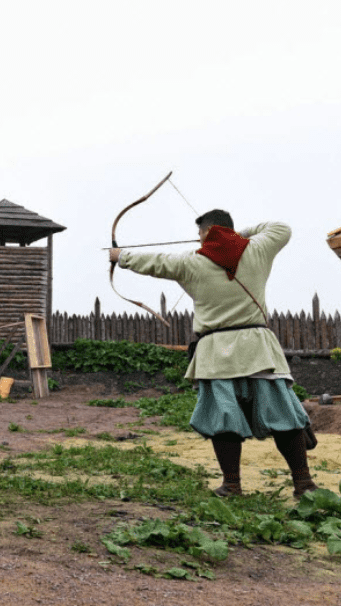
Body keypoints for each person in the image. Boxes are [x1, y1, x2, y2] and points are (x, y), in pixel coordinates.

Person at [108, 210, 318, 499]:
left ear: (207, 232)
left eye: (200, 235)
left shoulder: (191, 262)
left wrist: (120, 256)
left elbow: (155, 262)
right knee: (284, 417)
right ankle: (303, 484)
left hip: (216, 354)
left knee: (224, 420)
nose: (199, 240)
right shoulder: (257, 249)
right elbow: (280, 227)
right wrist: (238, 236)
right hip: (257, 348)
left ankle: (232, 485)